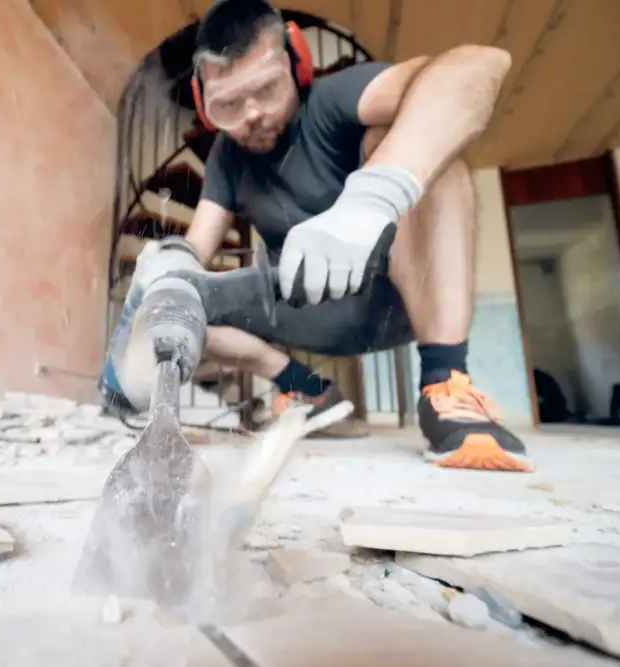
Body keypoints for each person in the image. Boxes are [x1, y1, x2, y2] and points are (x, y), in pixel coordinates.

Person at [179, 0, 532, 471]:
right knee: (180, 305)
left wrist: (372, 197)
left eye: (266, 89)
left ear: (298, 64)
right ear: (204, 103)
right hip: (312, 310)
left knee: (414, 138)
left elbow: (482, 65)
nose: (252, 114)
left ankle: (445, 383)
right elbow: (193, 252)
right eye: (228, 105)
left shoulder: (332, 98)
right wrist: (165, 272)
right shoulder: (227, 156)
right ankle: (306, 389)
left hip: (401, 299)